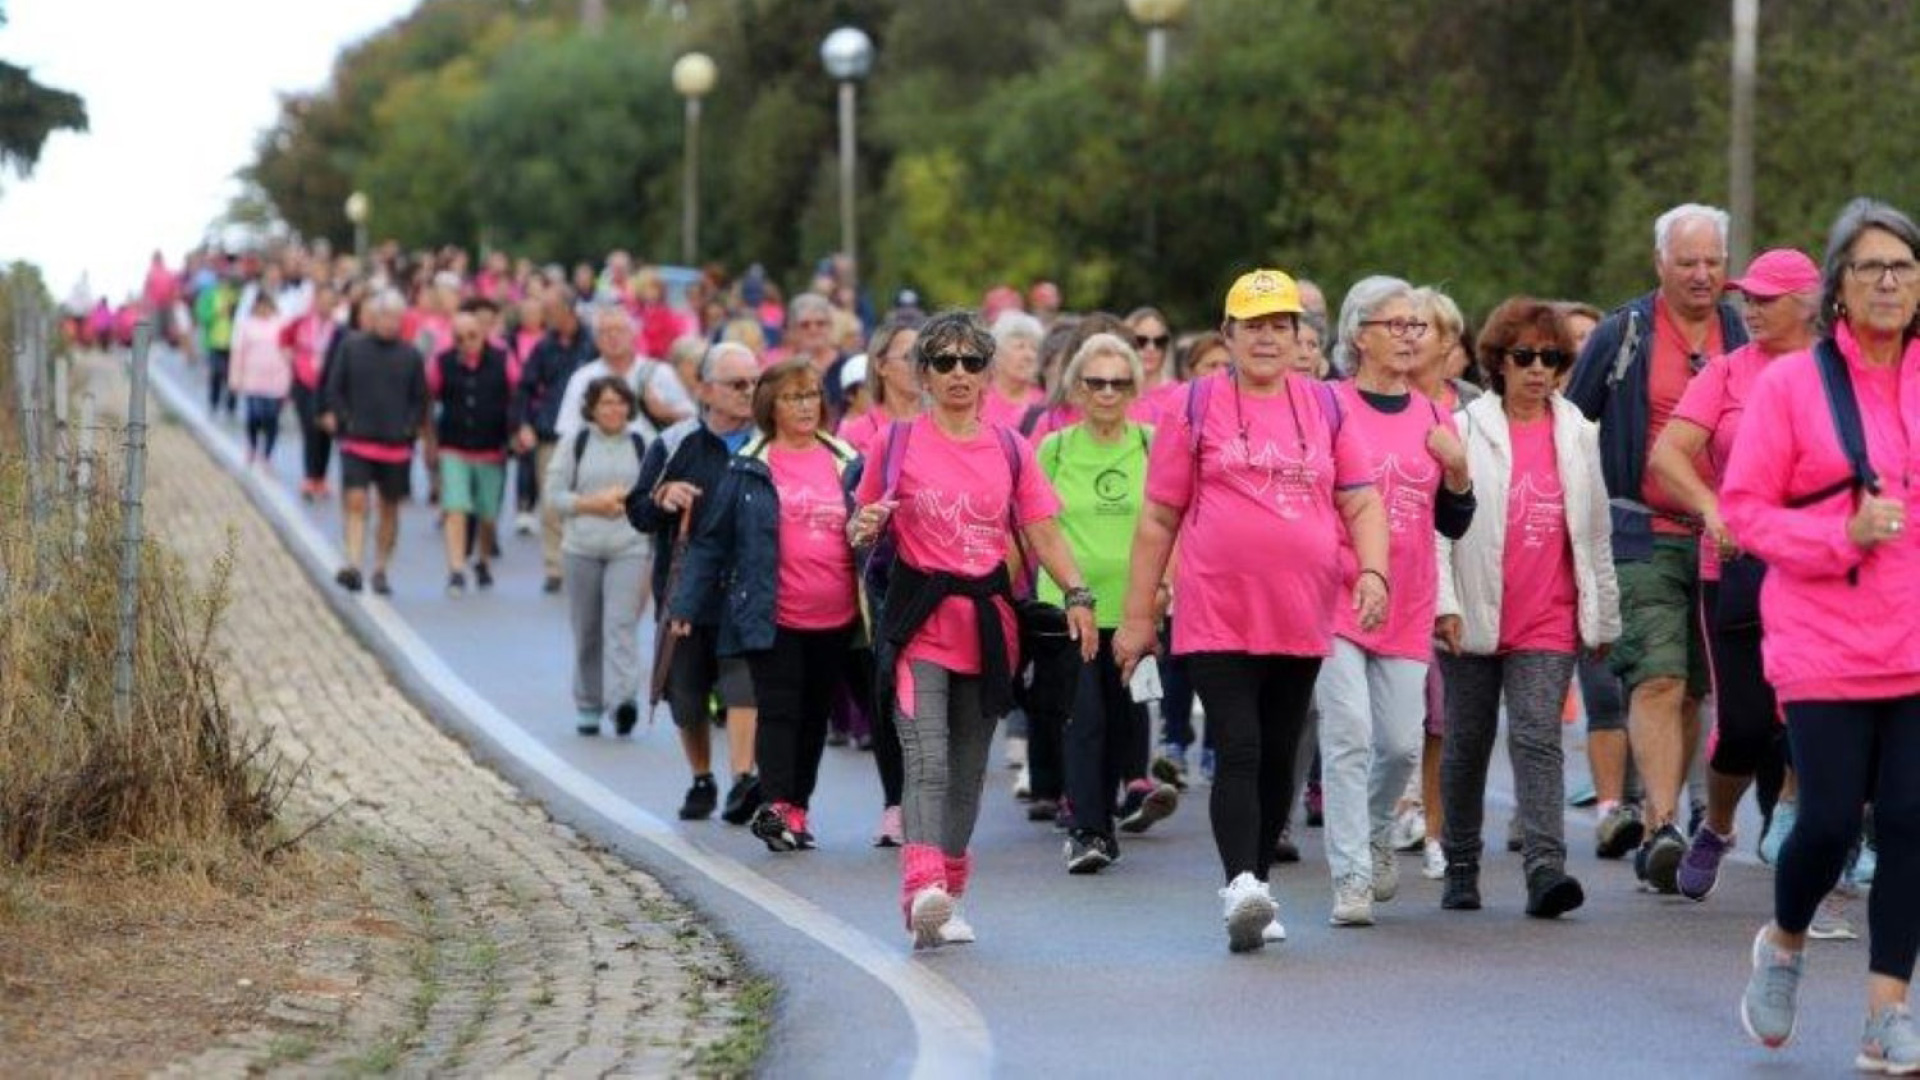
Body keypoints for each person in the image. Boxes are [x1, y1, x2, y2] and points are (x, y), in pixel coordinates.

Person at [1112, 269, 1389, 954]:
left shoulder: (1327, 407)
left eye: (1281, 326)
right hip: (1216, 610)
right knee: (1237, 744)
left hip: (1300, 611)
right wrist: (1139, 618)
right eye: (1254, 326)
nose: (1268, 338)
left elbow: (1359, 499)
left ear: (1300, 337)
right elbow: (1157, 518)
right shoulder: (1195, 404)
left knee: (1275, 757)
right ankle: (1239, 882)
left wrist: (1375, 570)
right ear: (1227, 334)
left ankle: (1257, 888)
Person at [1725, 198, 1920, 1070]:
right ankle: (1786, 940)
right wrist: (1839, 536)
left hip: (1916, 639)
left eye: (1905, 267)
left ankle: (1887, 1016)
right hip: (1824, 639)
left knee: (1914, 821)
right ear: (1837, 287)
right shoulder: (1793, 386)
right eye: (1872, 267)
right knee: (1832, 820)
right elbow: (1744, 512)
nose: (1890, 281)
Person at [847, 310, 1098, 950]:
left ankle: (950, 892)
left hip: (988, 624)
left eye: (971, 362)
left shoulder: (1012, 447)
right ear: (924, 373)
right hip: (918, 618)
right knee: (925, 757)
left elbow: (1042, 529)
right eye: (944, 361)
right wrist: (863, 526)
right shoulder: (896, 443)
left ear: (987, 373)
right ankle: (921, 885)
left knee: (964, 768)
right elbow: (859, 525)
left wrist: (1077, 594)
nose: (959, 373)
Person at [1566, 203, 1750, 893]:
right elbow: (1572, 429)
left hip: (1730, 540)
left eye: (1713, 262)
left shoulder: (1745, 333)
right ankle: (1662, 824)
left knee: (1702, 689)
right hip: (1643, 530)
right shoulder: (1623, 334)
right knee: (1659, 677)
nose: (1702, 275)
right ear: (1659, 265)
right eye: (1687, 262)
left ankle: (1689, 811)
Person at [1434, 297, 1619, 918]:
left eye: (1552, 358)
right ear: (1498, 361)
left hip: (1550, 615)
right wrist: (1443, 603)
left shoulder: (1580, 435)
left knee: (1539, 736)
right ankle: (1460, 863)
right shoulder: (1464, 428)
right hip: (1475, 610)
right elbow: (1440, 530)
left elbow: (1594, 536)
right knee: (1467, 739)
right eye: (1525, 356)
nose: (1538, 369)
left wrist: (1604, 617)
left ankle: (1546, 869)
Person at [1648, 248, 1820, 901]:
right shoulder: (1726, 373)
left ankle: (1803, 819)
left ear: (1808, 303)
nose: (1749, 308)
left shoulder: (1838, 374)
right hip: (1737, 564)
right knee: (1746, 725)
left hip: (1819, 568)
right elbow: (1669, 455)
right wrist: (1712, 506)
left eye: (1766, 298)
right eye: (1745, 296)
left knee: (1815, 706)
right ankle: (1718, 826)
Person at [1314, 276, 1475, 928]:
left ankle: (1379, 829)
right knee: (1348, 733)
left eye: (1418, 326)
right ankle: (1350, 875)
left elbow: (1455, 522)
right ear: (1359, 335)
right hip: (1336, 592)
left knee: (1403, 746)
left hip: (1408, 599)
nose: (1412, 336)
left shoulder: (1437, 417)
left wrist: (1460, 473)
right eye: (1397, 325)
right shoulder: (1327, 406)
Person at [671, 359, 863, 853]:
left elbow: (873, 531)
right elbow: (711, 542)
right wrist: (686, 605)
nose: (805, 406)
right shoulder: (749, 464)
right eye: (793, 397)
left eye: (811, 396)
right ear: (770, 406)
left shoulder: (846, 459)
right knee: (778, 709)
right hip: (771, 613)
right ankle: (776, 805)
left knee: (814, 715)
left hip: (837, 614)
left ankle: (797, 808)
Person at [1037, 332, 1176, 873]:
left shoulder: (1151, 443)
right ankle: (1088, 831)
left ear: (1134, 388)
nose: (1107, 393)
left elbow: (1174, 519)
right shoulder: (1055, 448)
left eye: (1119, 383)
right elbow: (1036, 524)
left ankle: (1115, 804)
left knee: (1124, 718)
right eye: (1096, 382)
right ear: (1076, 386)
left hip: (1136, 604)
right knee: (1084, 718)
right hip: (1072, 607)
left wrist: (1165, 585)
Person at [627, 343, 763, 825]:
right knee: (687, 697)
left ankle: (744, 779)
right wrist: (663, 496)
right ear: (705, 390)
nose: (749, 393)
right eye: (737, 384)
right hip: (685, 593)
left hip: (747, 589)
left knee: (742, 684)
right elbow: (637, 511)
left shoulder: (767, 443)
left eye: (754, 382)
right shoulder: (675, 443)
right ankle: (703, 777)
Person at [546, 376, 649, 736]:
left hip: (629, 547)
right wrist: (592, 503)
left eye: (619, 403)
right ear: (592, 408)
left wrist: (628, 502)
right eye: (606, 403)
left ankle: (623, 700)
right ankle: (589, 701)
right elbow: (554, 495)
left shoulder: (641, 442)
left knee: (620, 624)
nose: (613, 410)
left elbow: (654, 492)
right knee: (587, 627)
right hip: (582, 547)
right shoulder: (575, 443)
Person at [319, 289, 430, 596]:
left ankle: (380, 567)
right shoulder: (351, 347)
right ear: (373, 317)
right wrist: (345, 419)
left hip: (395, 445)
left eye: (395, 317)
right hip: (358, 440)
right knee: (355, 501)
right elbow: (334, 387)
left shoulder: (410, 355)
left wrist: (409, 428)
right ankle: (353, 563)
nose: (389, 323)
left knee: (389, 508)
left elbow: (420, 399)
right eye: (384, 316)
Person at [513, 285, 597, 593]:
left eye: (551, 311)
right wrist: (523, 424)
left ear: (568, 310)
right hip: (550, 431)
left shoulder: (591, 344)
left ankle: (580, 562)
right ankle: (554, 566)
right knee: (552, 501)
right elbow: (524, 387)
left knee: (585, 500)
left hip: (589, 431)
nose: (547, 317)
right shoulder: (544, 346)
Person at [430, 311, 513, 594]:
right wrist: (429, 441)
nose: (466, 343)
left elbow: (518, 396)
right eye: (459, 338)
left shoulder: (503, 360)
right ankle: (456, 569)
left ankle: (483, 558)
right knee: (456, 507)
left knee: (487, 513)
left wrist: (517, 429)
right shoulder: (442, 362)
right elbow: (429, 397)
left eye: (472, 336)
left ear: (483, 334)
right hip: (454, 445)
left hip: (491, 447)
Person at [283, 282, 339, 499]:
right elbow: (283, 338)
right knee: (309, 430)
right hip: (304, 384)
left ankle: (321, 477)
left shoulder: (337, 329)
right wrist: (291, 359)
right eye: (321, 301)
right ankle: (309, 476)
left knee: (325, 432)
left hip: (328, 386)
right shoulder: (301, 323)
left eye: (329, 302)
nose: (325, 306)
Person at [837, 318, 923, 452]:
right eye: (908, 357)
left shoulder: (942, 425)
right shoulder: (854, 435)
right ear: (881, 366)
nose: (918, 365)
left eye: (922, 357)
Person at [227, 292, 290, 468]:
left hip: (276, 378)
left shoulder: (281, 325)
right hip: (252, 378)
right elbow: (238, 353)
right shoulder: (246, 325)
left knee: (272, 417)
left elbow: (288, 351)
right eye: (260, 305)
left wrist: (289, 378)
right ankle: (252, 446)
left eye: (267, 306)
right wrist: (235, 378)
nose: (264, 309)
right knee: (254, 415)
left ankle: (267, 453)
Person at [981, 311, 1046, 427]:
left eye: (1035, 348)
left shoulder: (1045, 403)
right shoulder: (978, 399)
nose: (1029, 356)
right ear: (997, 353)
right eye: (1020, 346)